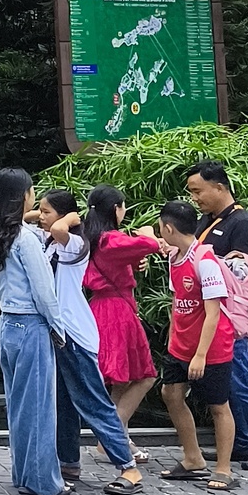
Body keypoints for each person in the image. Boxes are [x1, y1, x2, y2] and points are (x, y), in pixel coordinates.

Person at [32, 190, 143, 494]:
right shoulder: (49, 243)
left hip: (75, 335)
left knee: (93, 401)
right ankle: (68, 462)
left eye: (46, 211)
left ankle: (128, 468)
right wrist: (46, 216)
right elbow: (22, 221)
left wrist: (70, 217)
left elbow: (58, 227)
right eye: (39, 210)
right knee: (64, 403)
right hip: (57, 333)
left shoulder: (76, 244)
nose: (41, 217)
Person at [187, 157, 248, 472]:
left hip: (231, 319)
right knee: (226, 385)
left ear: (219, 186)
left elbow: (243, 275)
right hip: (208, 314)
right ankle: (239, 445)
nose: (194, 198)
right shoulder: (208, 219)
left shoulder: (242, 223)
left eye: (198, 191)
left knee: (241, 382)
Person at [0, 167, 66, 495]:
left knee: (18, 405)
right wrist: (59, 329)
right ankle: (45, 481)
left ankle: (24, 474)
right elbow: (45, 292)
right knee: (41, 408)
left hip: (8, 324)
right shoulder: (26, 239)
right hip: (32, 325)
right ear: (24, 196)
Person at [153, 198, 240, 490]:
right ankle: (193, 458)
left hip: (211, 347)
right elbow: (177, 300)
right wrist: (173, 337)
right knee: (171, 394)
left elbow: (213, 313)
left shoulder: (205, 261)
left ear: (168, 228)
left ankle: (224, 468)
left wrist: (201, 355)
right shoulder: (174, 256)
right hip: (180, 343)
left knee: (218, 406)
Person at [79, 185, 164, 451]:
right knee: (146, 376)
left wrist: (137, 260)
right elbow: (149, 243)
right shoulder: (110, 239)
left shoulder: (90, 237)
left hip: (101, 308)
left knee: (121, 378)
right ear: (116, 209)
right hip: (117, 312)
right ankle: (111, 434)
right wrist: (149, 232)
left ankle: (119, 437)